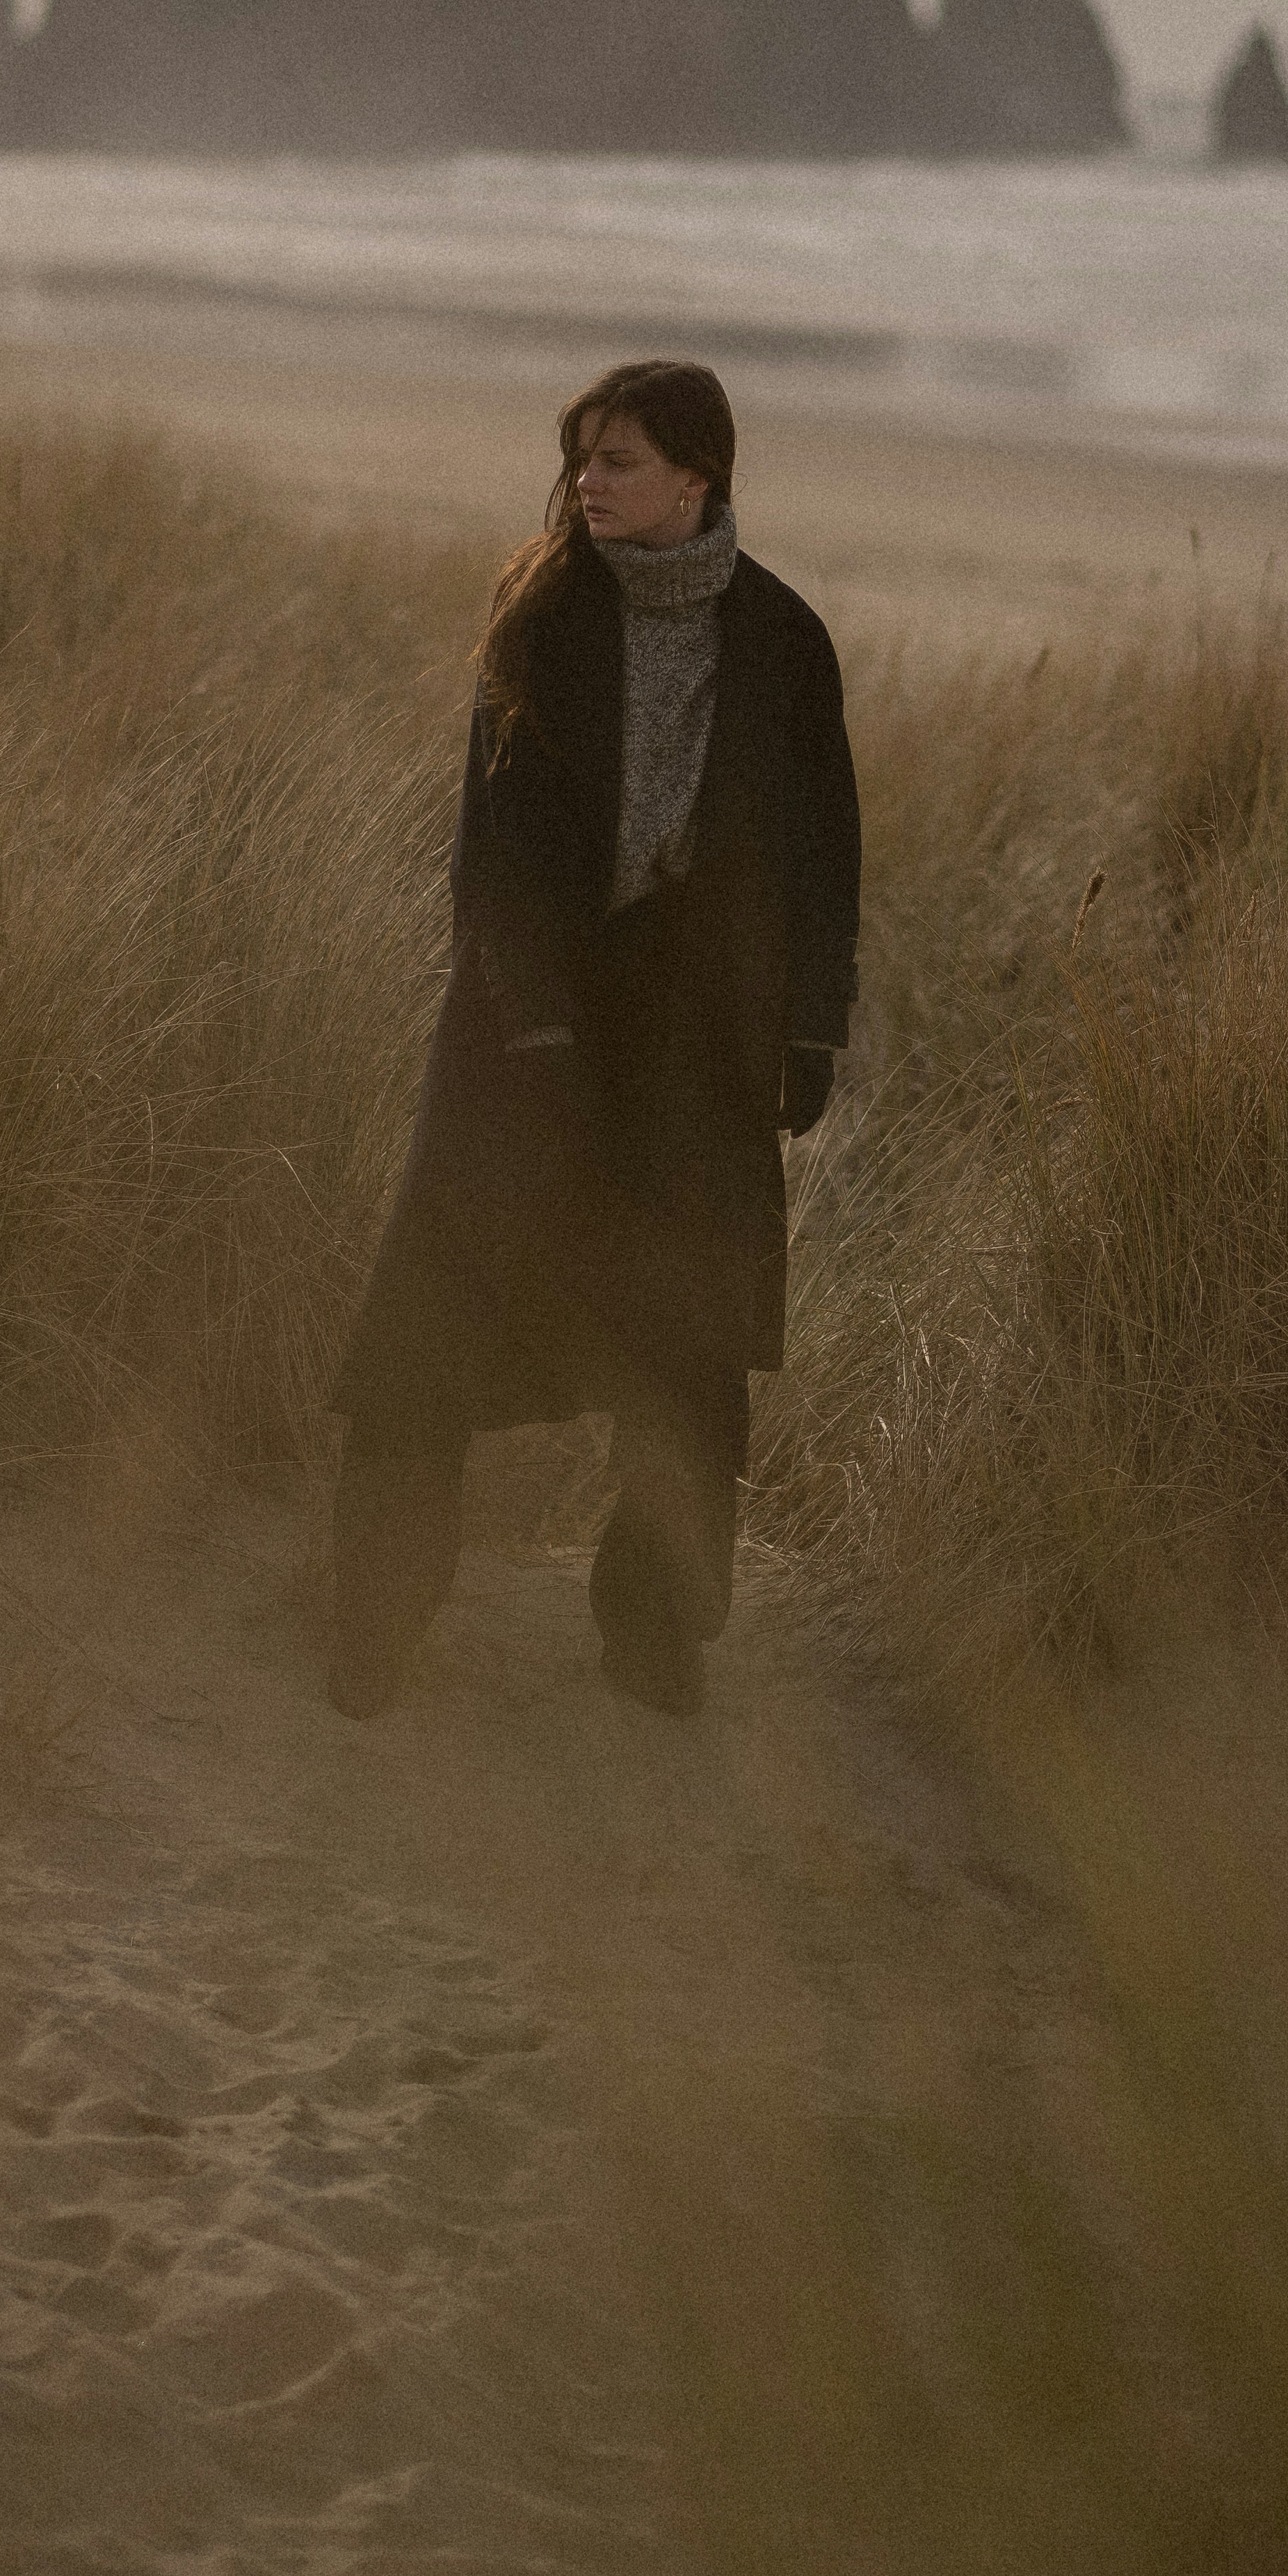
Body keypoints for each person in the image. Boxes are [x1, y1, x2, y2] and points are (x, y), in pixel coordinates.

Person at [329, 357, 860, 1720]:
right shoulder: (541, 616)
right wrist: (537, 1028)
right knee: (431, 1335)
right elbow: (486, 861)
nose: (588, 483)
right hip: (527, 1035)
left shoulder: (784, 640)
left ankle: (653, 1634)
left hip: (697, 1049)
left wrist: (808, 1036)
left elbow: (820, 853)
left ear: (698, 477)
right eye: (581, 458)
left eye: (618, 460)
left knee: (686, 1356)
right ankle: (370, 1626)